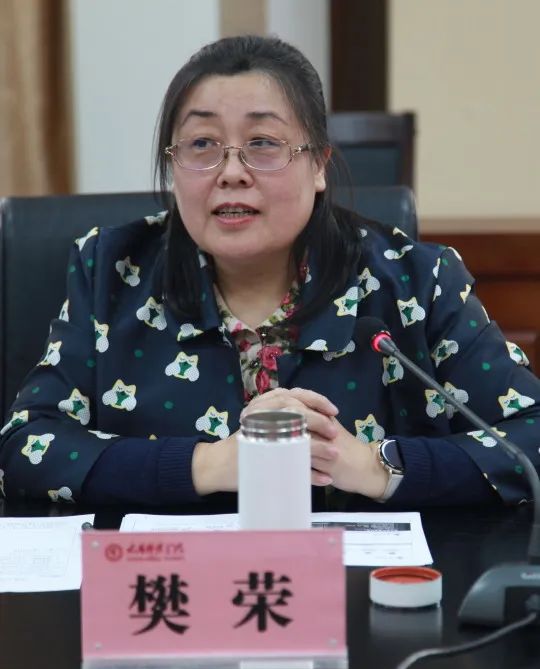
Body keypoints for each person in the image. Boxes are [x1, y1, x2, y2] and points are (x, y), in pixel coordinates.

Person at [1, 35, 539, 511]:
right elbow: (26, 447)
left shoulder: (417, 281)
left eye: (262, 144)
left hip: (365, 587)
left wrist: (374, 466)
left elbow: (531, 437)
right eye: (202, 144)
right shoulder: (112, 273)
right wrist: (210, 464)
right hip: (174, 585)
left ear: (319, 164)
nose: (231, 172)